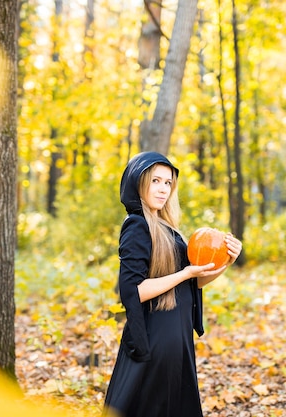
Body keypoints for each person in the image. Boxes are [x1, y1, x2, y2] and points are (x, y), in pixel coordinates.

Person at [103, 152, 242, 417]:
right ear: (138, 182)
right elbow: (134, 291)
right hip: (155, 334)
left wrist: (225, 262)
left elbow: (195, 282)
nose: (163, 189)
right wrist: (185, 274)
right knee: (149, 405)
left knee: (173, 404)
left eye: (168, 183)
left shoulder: (166, 227)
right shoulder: (137, 226)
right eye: (155, 181)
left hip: (176, 333)